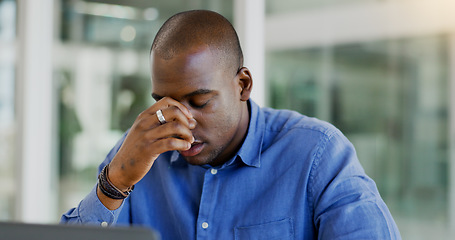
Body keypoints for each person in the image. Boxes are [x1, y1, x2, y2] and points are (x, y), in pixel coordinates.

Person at [61, 10, 401, 239]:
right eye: (166, 103)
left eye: (200, 101)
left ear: (243, 85)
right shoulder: (137, 155)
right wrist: (115, 181)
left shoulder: (318, 154)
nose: (181, 122)